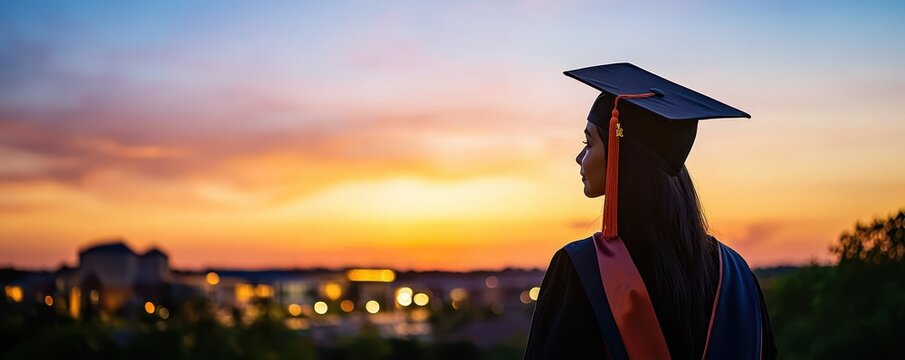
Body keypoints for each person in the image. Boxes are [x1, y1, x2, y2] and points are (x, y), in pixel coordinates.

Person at [523, 63, 777, 359]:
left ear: (621, 153)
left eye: (588, 142)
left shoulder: (581, 270)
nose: (579, 157)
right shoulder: (737, 277)